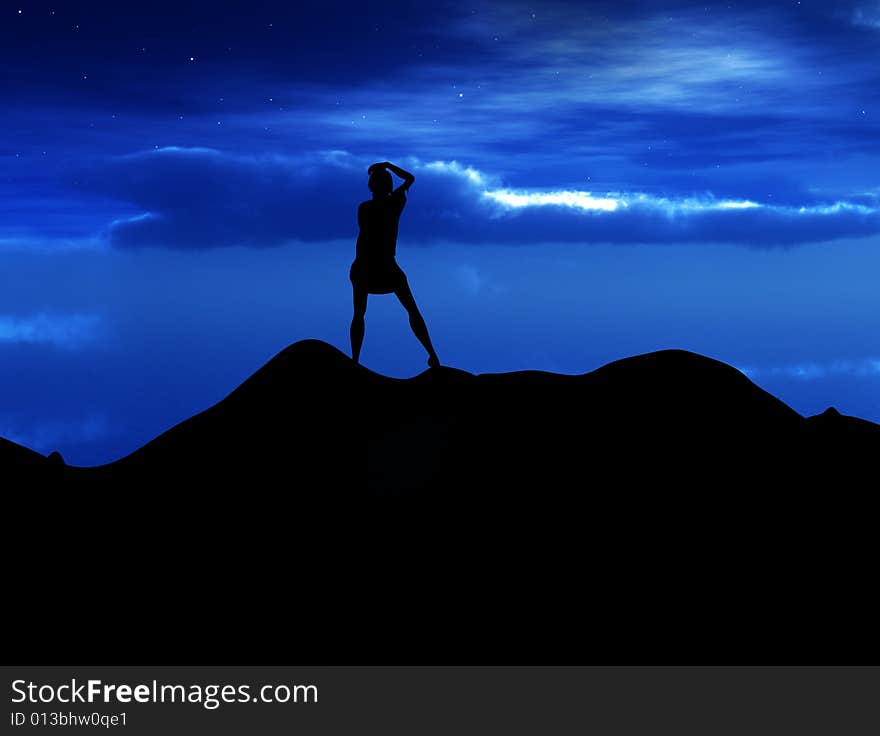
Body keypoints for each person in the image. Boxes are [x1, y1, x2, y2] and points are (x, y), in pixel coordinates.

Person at [350, 161, 440, 368]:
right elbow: (410, 178)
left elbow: (364, 239)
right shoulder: (394, 204)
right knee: (413, 310)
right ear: (389, 185)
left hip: (363, 267)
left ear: (371, 186)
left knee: (358, 313)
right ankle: (432, 354)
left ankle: (355, 360)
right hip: (387, 268)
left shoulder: (364, 208)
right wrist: (388, 165)